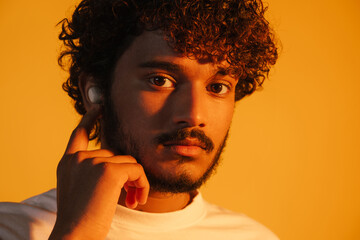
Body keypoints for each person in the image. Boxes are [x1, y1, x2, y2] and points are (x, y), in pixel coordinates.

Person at [0, 0, 279, 239]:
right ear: (95, 92)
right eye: (160, 80)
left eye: (217, 87)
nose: (194, 115)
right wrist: (77, 233)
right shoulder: (12, 229)